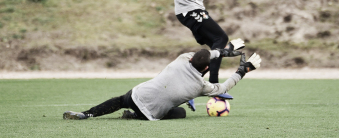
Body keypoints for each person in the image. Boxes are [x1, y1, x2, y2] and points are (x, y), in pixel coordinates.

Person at [63, 48, 261, 121]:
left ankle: (87, 114)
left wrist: (225, 51)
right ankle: (133, 117)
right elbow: (223, 87)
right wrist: (244, 69)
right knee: (181, 112)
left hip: (137, 95)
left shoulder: (182, 58)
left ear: (192, 59)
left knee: (120, 100)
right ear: (207, 69)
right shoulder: (201, 87)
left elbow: (205, 55)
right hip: (150, 114)